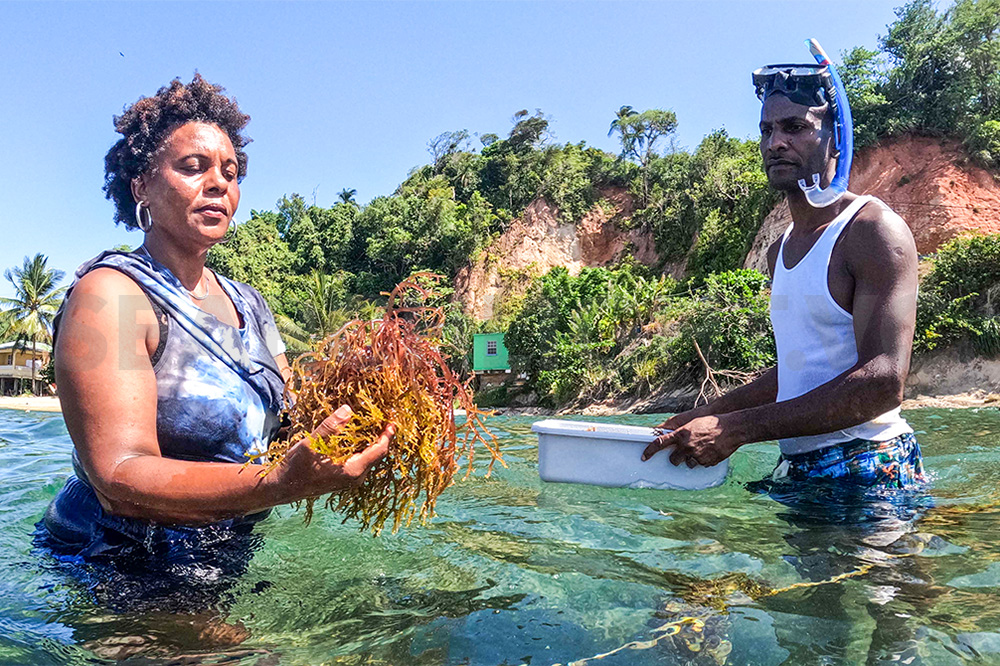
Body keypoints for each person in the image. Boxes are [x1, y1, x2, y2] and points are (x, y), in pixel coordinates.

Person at [35, 75, 394, 587]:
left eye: (229, 171)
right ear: (141, 185)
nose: (219, 183)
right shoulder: (111, 295)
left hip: (219, 555)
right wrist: (277, 483)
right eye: (192, 167)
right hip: (117, 561)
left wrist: (367, 405)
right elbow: (117, 477)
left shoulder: (250, 304)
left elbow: (292, 425)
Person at [642, 46, 924, 488]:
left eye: (795, 127)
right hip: (798, 470)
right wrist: (706, 414)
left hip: (869, 468)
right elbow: (797, 375)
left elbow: (883, 381)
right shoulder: (780, 251)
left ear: (835, 136)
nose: (776, 142)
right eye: (767, 129)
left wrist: (734, 429)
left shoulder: (871, 231)